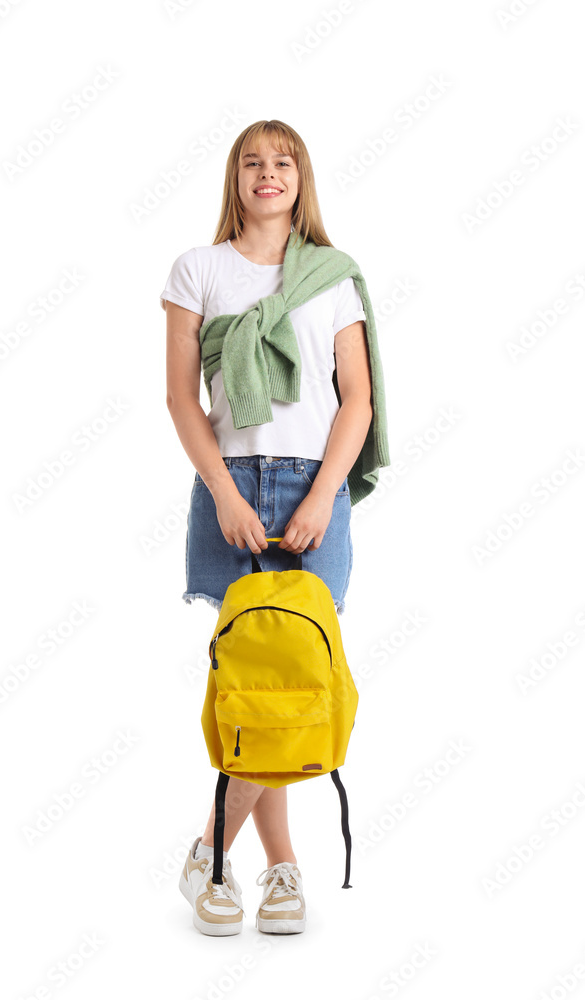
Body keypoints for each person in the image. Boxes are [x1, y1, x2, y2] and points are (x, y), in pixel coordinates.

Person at [160, 120, 376, 936]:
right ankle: (280, 872)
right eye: (251, 161)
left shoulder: (332, 277)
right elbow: (183, 399)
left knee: (294, 680)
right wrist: (221, 491)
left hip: (313, 491)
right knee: (255, 681)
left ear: (301, 177)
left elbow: (354, 398)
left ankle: (214, 851)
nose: (266, 172)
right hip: (233, 490)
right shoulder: (198, 270)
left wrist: (324, 494)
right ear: (234, 178)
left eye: (282, 161)